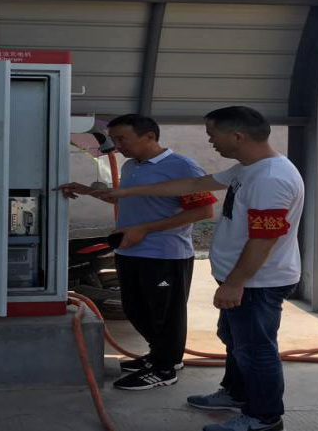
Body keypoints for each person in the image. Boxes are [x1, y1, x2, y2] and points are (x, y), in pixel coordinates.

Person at [92, 107, 304, 431]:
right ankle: (235, 393)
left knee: (255, 350)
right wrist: (126, 191)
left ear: (237, 136)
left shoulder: (271, 178)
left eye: (212, 134)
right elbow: (192, 183)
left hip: (257, 281)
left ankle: (263, 418)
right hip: (242, 278)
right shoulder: (247, 169)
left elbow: (264, 239)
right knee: (234, 340)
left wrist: (235, 283)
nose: (210, 141)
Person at [58, 114, 216, 390]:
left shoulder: (183, 167)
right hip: (130, 250)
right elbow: (131, 201)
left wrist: (145, 229)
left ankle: (165, 368)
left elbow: (203, 211)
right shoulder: (132, 166)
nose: (117, 146)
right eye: (114, 140)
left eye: (122, 139)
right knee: (135, 310)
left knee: (164, 313)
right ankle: (159, 356)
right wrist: (87, 191)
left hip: (165, 254)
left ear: (149, 137)